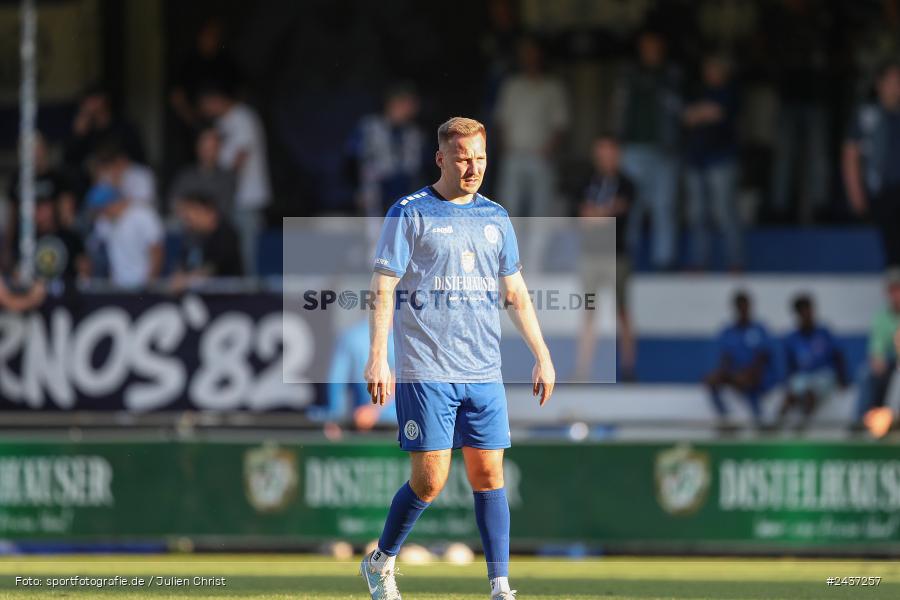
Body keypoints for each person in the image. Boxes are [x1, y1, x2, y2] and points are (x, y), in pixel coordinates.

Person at [360, 117, 555, 600]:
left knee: (489, 474)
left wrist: (542, 355)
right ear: (441, 158)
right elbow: (383, 288)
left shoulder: (496, 218)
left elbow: (516, 293)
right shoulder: (409, 212)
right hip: (426, 370)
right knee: (429, 482)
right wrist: (377, 357)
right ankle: (380, 561)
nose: (473, 167)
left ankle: (500, 586)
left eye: (481, 157)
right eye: (464, 157)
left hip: (483, 370)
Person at [494, 37, 569, 272]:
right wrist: (506, 147)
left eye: (533, 54)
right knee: (509, 210)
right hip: (514, 155)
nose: (530, 59)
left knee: (541, 213)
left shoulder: (552, 87)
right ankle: (509, 263)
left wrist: (549, 149)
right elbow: (501, 120)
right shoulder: (512, 85)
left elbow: (561, 124)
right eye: (526, 54)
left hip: (541, 156)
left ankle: (535, 264)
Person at [612, 30, 683, 270]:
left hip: (665, 149)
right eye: (646, 46)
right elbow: (619, 109)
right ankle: (625, 258)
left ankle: (664, 261)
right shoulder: (629, 73)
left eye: (655, 46)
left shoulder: (672, 74)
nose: (650, 50)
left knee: (664, 206)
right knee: (631, 205)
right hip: (633, 147)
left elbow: (680, 110)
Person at [573, 135, 636, 381]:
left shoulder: (626, 183)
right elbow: (581, 215)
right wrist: (601, 214)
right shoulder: (588, 181)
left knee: (623, 311)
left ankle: (629, 367)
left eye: (609, 152)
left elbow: (616, 211)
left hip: (616, 256)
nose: (604, 157)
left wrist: (596, 215)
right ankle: (583, 369)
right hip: (590, 257)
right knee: (589, 311)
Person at [198, 85, 271, 274]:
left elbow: (240, 156)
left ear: (216, 99)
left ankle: (247, 297)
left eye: (206, 104)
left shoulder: (243, 117)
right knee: (227, 250)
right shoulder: (222, 122)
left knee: (246, 250)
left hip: (247, 196)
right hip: (229, 199)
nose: (205, 110)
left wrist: (222, 184)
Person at [683, 54, 743, 271]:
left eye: (715, 68)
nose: (711, 73)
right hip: (695, 159)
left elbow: (718, 114)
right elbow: (687, 117)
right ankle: (699, 262)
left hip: (721, 159)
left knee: (724, 212)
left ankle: (734, 262)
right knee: (696, 214)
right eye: (708, 68)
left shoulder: (731, 91)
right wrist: (702, 112)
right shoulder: (698, 91)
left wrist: (701, 113)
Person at [843, 59, 900, 268]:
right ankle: (894, 281)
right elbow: (850, 154)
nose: (897, 87)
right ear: (880, 84)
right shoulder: (866, 115)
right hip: (879, 190)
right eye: (892, 82)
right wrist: (856, 194)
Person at [347, 84, 426, 217]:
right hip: (374, 191)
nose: (411, 108)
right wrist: (356, 190)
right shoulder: (370, 126)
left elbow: (420, 169)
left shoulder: (415, 133)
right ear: (393, 102)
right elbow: (351, 159)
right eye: (407, 103)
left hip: (404, 190)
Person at [4, 132, 78, 270]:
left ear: (44, 149)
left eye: (36, 149)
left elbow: (67, 215)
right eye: (26, 151)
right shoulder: (17, 180)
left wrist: (67, 237)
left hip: (54, 240)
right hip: (26, 240)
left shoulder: (57, 178)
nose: (33, 155)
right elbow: (12, 216)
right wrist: (7, 249)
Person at [705, 291, 774, 427]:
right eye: (740, 306)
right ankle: (726, 418)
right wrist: (723, 374)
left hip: (756, 375)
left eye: (745, 306)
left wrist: (747, 374)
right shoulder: (728, 331)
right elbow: (725, 358)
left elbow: (763, 357)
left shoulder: (759, 329)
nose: (743, 309)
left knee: (750, 381)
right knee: (712, 380)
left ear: (750, 306)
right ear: (735, 308)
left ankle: (759, 419)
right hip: (735, 374)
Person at [779, 294, 847, 429]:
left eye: (808, 310)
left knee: (809, 393)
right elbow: (790, 367)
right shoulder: (792, 338)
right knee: (789, 397)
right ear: (797, 314)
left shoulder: (824, 333)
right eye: (802, 311)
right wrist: (788, 385)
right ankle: (775, 429)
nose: (807, 314)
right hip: (802, 376)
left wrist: (843, 380)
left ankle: (803, 427)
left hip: (824, 375)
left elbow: (838, 356)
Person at [86, 184, 163, 289]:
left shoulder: (143, 215)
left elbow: (156, 250)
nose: (102, 213)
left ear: (113, 203)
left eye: (103, 209)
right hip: (117, 286)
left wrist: (149, 282)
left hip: (142, 284)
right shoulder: (103, 222)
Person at [170, 192, 243, 292]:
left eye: (194, 210)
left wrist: (188, 280)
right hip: (198, 296)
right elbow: (183, 262)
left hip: (228, 296)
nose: (188, 216)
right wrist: (179, 275)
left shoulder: (226, 233)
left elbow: (215, 266)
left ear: (210, 212)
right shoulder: (192, 235)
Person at [64, 84, 145, 170]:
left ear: (102, 100)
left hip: (122, 174)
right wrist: (77, 136)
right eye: (84, 101)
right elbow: (69, 159)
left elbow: (139, 158)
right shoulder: (86, 129)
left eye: (90, 100)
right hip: (93, 177)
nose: (86, 106)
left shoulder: (125, 127)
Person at [856, 267, 900, 422]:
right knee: (866, 373)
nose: (897, 295)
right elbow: (877, 350)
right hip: (890, 363)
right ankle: (862, 421)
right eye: (893, 290)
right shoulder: (881, 317)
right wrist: (878, 359)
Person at [168, 127, 236, 214]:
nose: (207, 151)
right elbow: (173, 202)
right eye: (204, 146)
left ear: (219, 148)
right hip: (184, 222)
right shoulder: (185, 175)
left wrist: (196, 211)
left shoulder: (227, 178)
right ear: (197, 147)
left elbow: (221, 212)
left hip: (213, 224)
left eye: (212, 147)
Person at [93, 140, 157, 206]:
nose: (116, 166)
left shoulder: (142, 173)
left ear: (124, 159)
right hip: (110, 213)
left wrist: (120, 197)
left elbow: (145, 202)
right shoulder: (106, 174)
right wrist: (113, 185)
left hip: (138, 212)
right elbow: (96, 201)